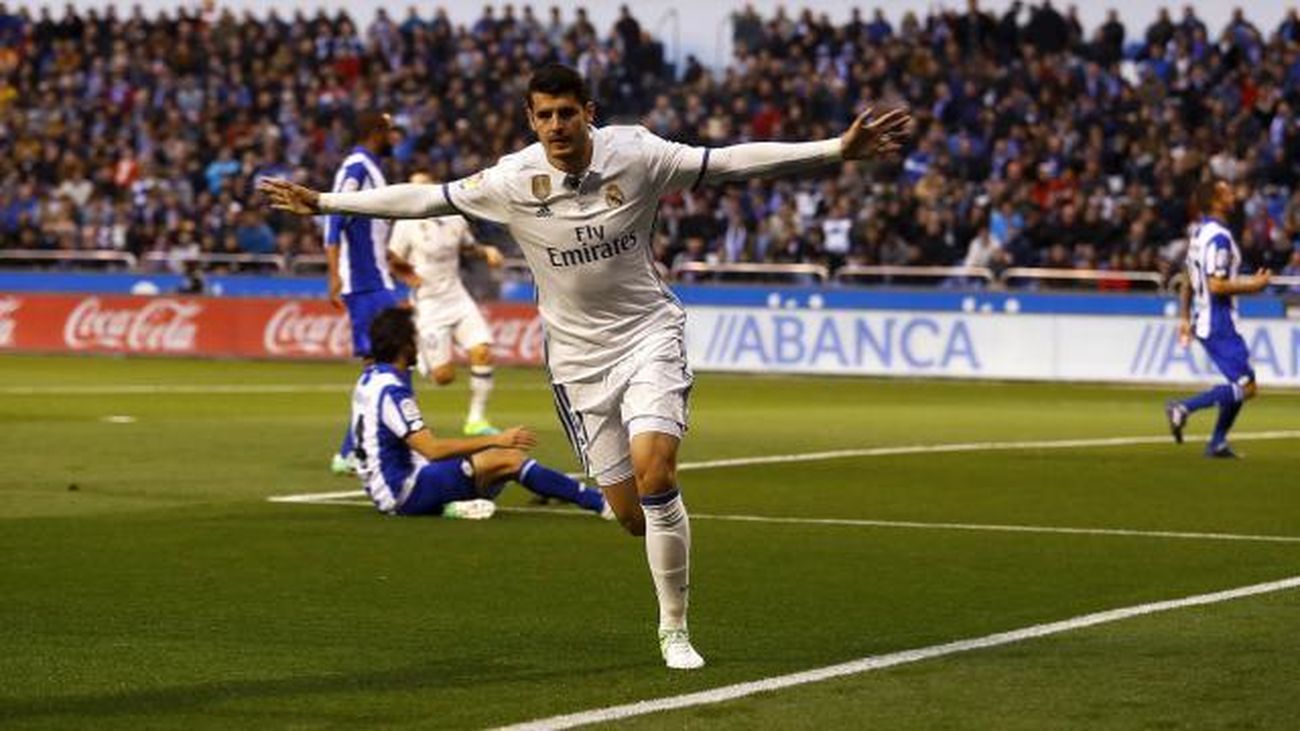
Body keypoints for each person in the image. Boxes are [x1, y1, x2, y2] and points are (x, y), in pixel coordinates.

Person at [262, 63, 911, 669]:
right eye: (543, 116)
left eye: (566, 114)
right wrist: (324, 203)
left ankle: (674, 626)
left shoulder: (638, 153)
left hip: (649, 333)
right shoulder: (511, 180)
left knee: (658, 472)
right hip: (575, 361)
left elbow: (732, 162)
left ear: (588, 114)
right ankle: (648, 546)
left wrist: (832, 149)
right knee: (629, 511)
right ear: (530, 119)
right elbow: (424, 200)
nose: (556, 127)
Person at [352, 307, 611, 520]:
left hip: (386, 488)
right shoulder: (393, 392)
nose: (418, 344)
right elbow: (431, 449)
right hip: (404, 491)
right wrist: (496, 439)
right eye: (413, 338)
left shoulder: (370, 379)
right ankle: (599, 503)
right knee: (509, 460)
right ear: (403, 344)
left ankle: (452, 506)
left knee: (487, 464)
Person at [387, 172, 504, 436]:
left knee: (482, 351)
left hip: (457, 297)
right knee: (443, 377)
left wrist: (487, 251)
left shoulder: (455, 217)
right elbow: (391, 258)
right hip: (428, 304)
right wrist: (409, 276)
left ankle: (476, 420)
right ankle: (423, 355)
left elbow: (468, 247)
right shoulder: (406, 224)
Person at [1165, 179, 1271, 457]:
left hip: (1206, 318)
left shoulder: (1200, 234)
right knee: (1247, 387)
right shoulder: (1219, 238)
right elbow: (1216, 285)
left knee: (1240, 382)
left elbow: (1188, 277)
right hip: (1218, 320)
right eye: (1226, 191)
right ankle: (1184, 408)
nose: (1233, 194)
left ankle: (1217, 443)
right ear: (1214, 200)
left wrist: (1185, 317)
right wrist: (1255, 285)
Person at [327, 111, 403, 476]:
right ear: (377, 132)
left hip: (378, 279)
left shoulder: (372, 167)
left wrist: (391, 257)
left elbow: (369, 229)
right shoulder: (356, 166)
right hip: (364, 283)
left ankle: (354, 449)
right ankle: (354, 450)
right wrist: (333, 276)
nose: (395, 138)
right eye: (391, 131)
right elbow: (334, 216)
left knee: (386, 364)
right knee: (387, 362)